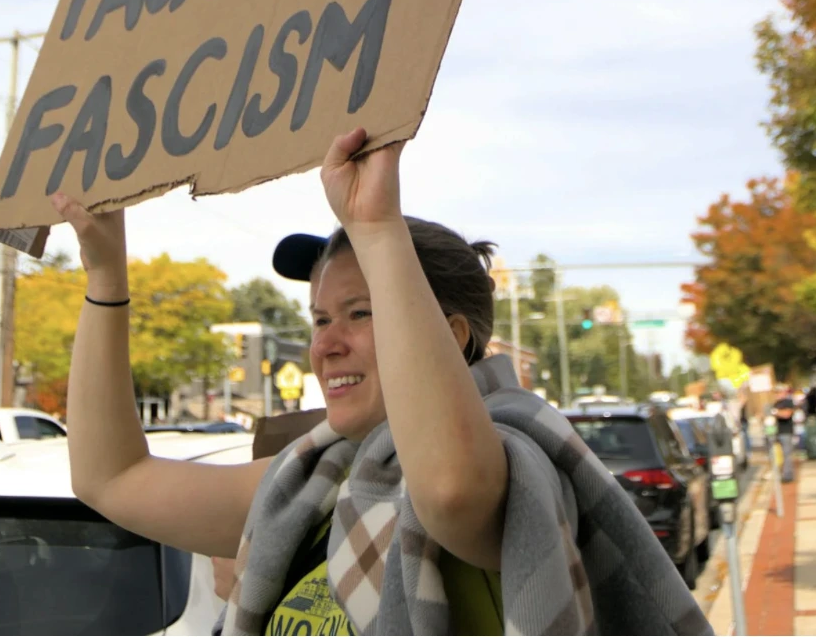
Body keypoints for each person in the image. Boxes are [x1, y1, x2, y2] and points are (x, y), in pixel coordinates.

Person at [53, 129, 711, 635]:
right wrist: (106, 278)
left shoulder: (510, 465)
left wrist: (375, 229)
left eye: (360, 313)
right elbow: (111, 478)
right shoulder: (308, 485)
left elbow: (447, 486)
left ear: (452, 337)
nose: (325, 344)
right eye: (320, 319)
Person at [772, 391, 799, 482]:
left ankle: (788, 475)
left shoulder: (788, 402)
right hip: (777, 432)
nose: (777, 395)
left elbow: (787, 414)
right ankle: (780, 473)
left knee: (787, 454)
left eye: (779, 393)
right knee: (777, 455)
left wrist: (776, 413)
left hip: (786, 432)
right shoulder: (776, 404)